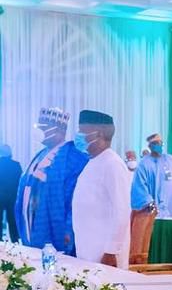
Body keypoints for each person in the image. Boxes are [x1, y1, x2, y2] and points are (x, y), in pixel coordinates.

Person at [15, 107, 88, 253]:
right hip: (32, 222)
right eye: (38, 126)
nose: (39, 130)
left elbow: (75, 199)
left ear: (59, 130)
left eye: (43, 127)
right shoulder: (41, 154)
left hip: (54, 227)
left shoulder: (73, 157)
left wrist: (68, 229)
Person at [70, 110, 132, 268]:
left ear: (101, 134)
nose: (78, 136)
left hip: (105, 256)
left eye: (83, 132)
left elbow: (122, 211)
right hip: (88, 251)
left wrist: (111, 252)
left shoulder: (113, 164)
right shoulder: (93, 161)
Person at [130, 133, 172, 217]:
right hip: (157, 214)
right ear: (150, 146)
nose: (158, 145)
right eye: (155, 143)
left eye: (160, 143)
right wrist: (150, 205)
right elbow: (139, 190)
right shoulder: (143, 165)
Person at [0, 145, 22, 243]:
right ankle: (15, 240)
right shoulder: (16, 165)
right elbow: (20, 181)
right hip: (13, 196)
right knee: (12, 219)